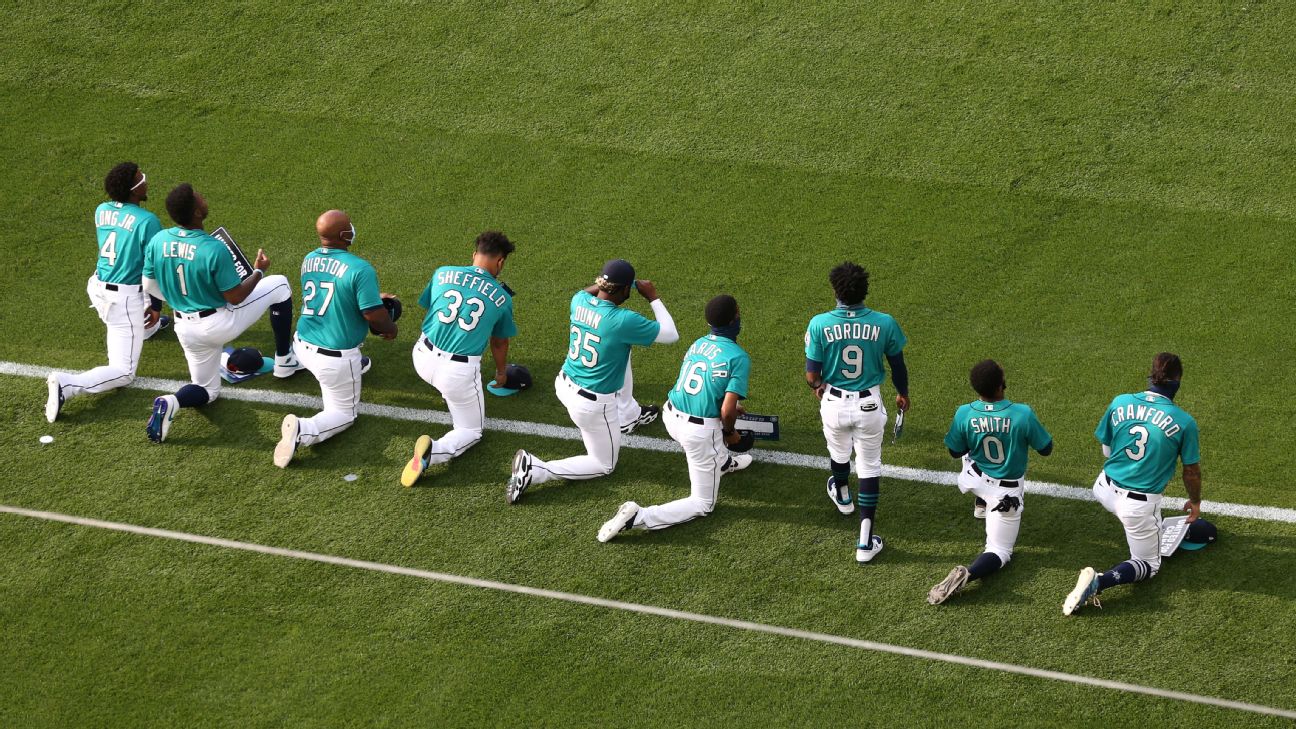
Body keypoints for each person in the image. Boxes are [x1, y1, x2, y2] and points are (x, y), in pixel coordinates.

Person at [507, 259, 678, 503]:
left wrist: (605, 284)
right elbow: (671, 335)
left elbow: (587, 291)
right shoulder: (623, 320)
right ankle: (536, 469)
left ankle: (628, 415)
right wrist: (653, 297)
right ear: (625, 289)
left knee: (623, 348)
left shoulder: (578, 301)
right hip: (591, 405)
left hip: (565, 385)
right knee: (603, 464)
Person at [141, 183, 301, 443]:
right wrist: (259, 271)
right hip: (219, 323)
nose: (204, 198)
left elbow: (148, 285)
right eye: (199, 198)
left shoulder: (158, 240)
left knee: (207, 390)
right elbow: (236, 296)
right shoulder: (212, 248)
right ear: (195, 212)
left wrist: (179, 300)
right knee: (280, 284)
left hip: (186, 328)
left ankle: (171, 401)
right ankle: (285, 360)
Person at [597, 294, 754, 541]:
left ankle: (722, 463)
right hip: (698, 434)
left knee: (709, 447)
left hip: (672, 417)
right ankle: (639, 517)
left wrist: (730, 409)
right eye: (738, 313)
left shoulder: (698, 343)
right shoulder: (738, 357)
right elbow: (725, 413)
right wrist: (730, 433)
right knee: (703, 503)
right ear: (734, 320)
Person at [1063, 353, 1202, 615]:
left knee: (1156, 525)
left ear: (1152, 376)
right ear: (1177, 382)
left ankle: (1153, 528)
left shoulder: (1120, 402)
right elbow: (1191, 472)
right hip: (1136, 507)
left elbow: (1107, 450)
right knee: (1149, 564)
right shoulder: (1184, 422)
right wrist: (1194, 501)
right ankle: (1098, 582)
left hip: (1104, 488)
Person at [46, 162, 170, 422]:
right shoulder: (147, 221)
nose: (145, 180)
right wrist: (157, 307)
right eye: (140, 178)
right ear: (133, 190)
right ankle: (67, 385)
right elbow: (154, 271)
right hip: (123, 300)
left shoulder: (101, 210)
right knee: (124, 372)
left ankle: (144, 327)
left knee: (137, 304)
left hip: (99, 287)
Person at [805, 261, 909, 563]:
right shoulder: (885, 322)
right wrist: (903, 394)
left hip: (834, 402)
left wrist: (818, 386)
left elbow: (812, 376)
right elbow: (898, 366)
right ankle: (865, 541)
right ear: (865, 289)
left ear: (835, 289)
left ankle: (842, 494)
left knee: (839, 453)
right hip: (870, 405)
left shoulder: (819, 323)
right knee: (869, 465)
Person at [273, 210, 397, 467]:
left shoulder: (308, 259)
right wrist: (390, 328)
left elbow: (332, 294)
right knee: (344, 414)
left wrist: (371, 296)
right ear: (344, 235)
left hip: (303, 345)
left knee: (339, 369)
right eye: (348, 225)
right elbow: (372, 314)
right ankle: (303, 430)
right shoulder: (360, 269)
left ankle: (352, 370)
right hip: (334, 359)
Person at [927, 360, 1053, 604]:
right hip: (1005, 494)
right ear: (1000, 385)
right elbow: (1046, 448)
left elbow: (954, 451)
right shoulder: (1022, 413)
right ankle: (969, 574)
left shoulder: (964, 412)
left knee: (968, 450)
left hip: (973, 477)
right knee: (1000, 551)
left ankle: (980, 504)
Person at [400, 231, 517, 486]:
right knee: (471, 431)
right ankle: (435, 450)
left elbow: (432, 307)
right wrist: (500, 373)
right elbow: (499, 342)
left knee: (446, 382)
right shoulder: (502, 298)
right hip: (457, 373)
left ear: (475, 254)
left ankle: (446, 392)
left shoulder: (442, 272)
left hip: (421, 357)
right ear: (500, 262)